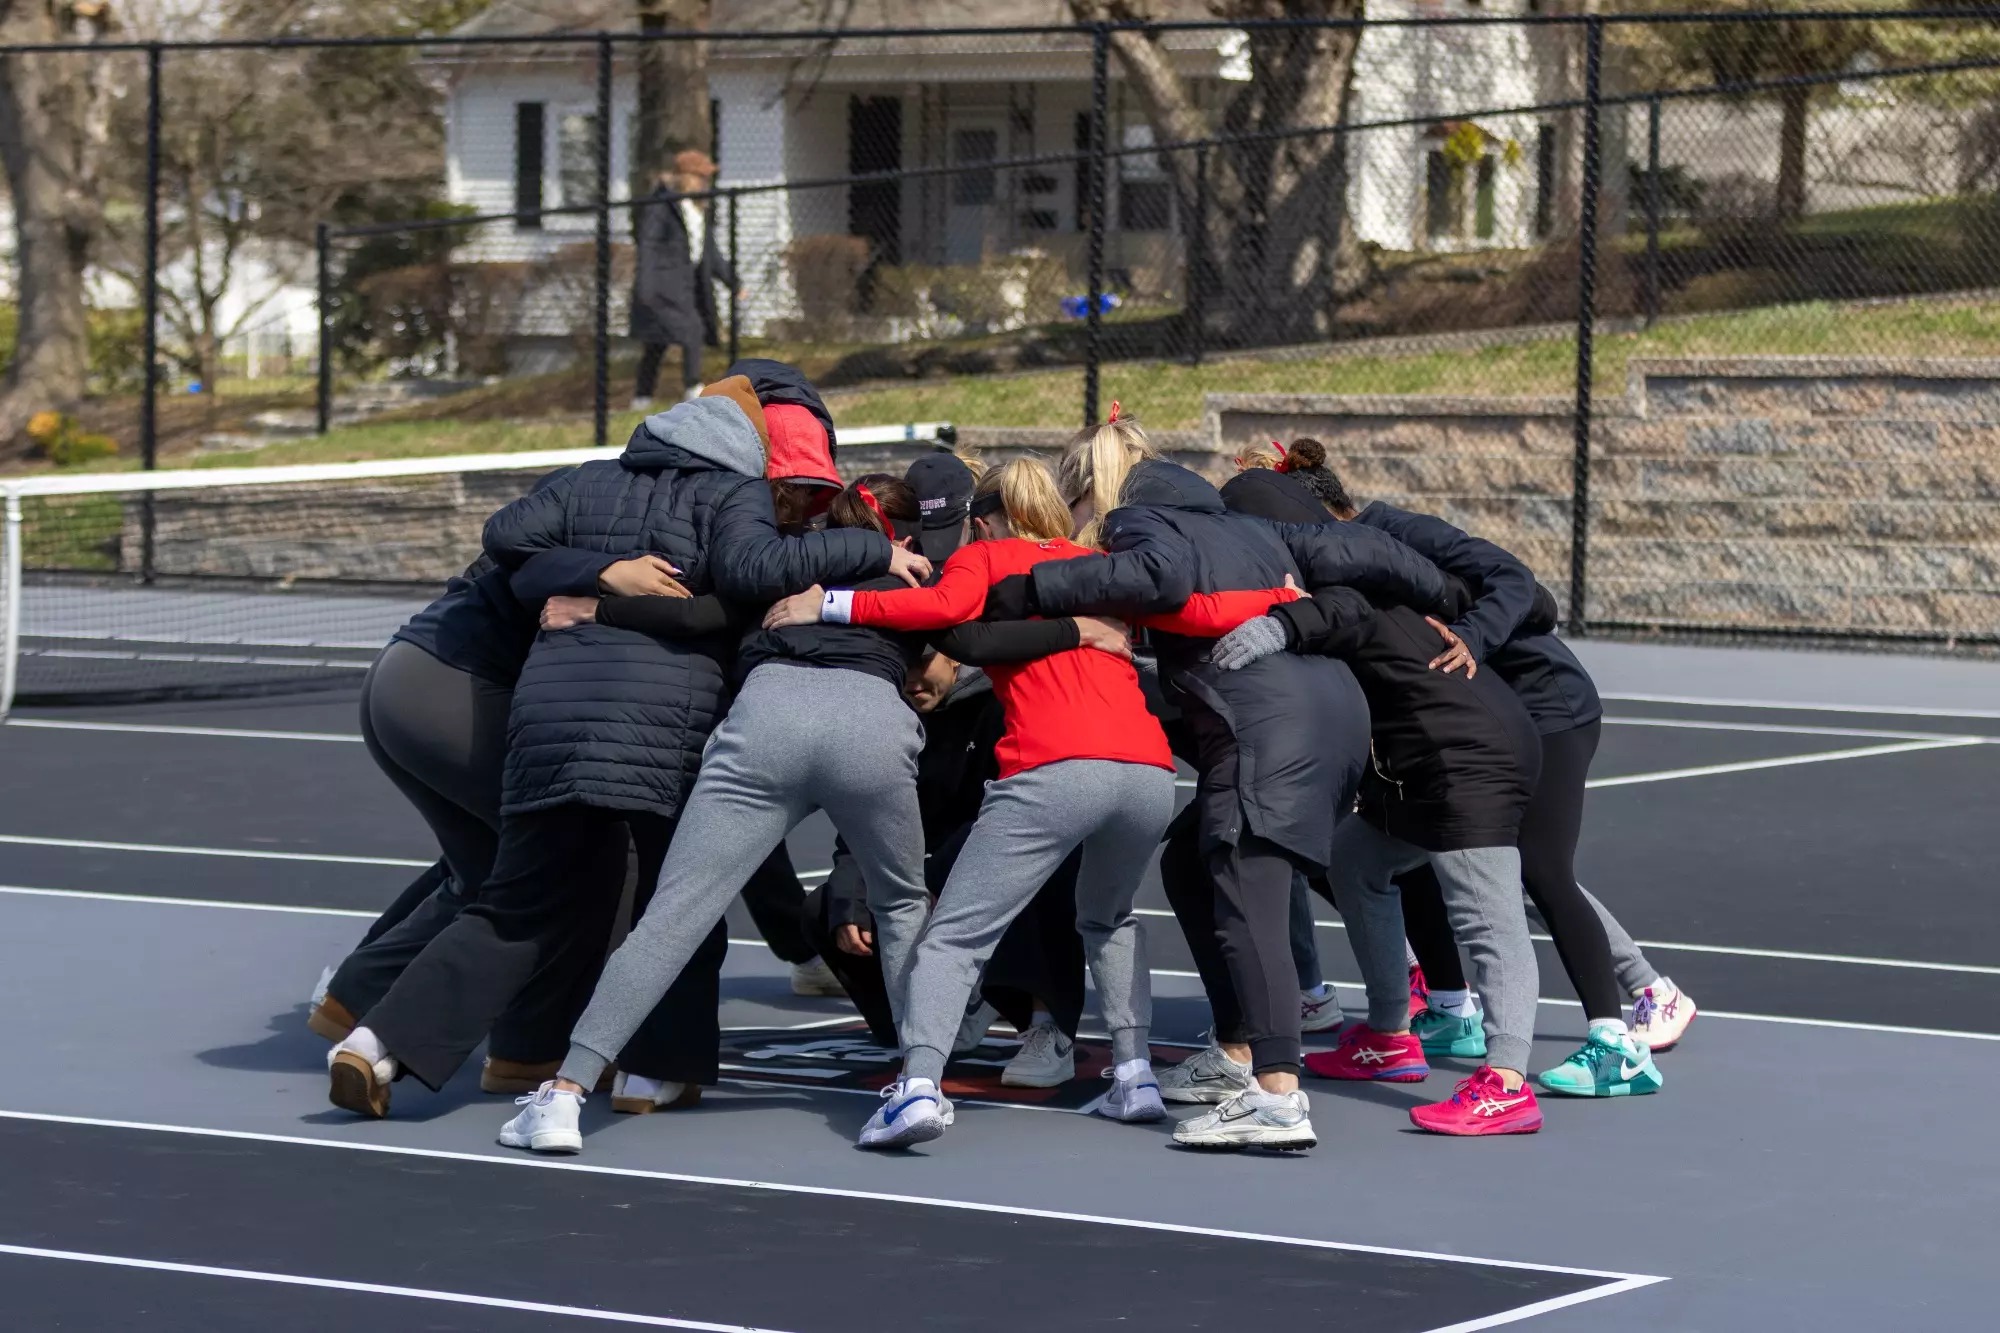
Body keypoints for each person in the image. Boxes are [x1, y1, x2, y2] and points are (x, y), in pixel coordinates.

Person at [326, 376, 926, 1119]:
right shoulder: (732, 497)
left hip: (545, 715)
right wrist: (870, 544)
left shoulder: (584, 483)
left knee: (514, 902)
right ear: (750, 453)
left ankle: (378, 1040)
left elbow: (505, 536)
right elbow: (744, 579)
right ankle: (652, 1071)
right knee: (676, 901)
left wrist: (599, 579)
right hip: (658, 730)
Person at [759, 456, 1273, 1150]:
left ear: (982, 516)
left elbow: (937, 610)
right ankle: (1134, 1075)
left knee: (955, 937)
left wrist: (827, 602)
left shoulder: (987, 556)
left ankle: (917, 1087)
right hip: (1147, 772)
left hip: (1055, 764)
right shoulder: (1100, 565)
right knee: (1109, 917)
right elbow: (1194, 609)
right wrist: (1279, 601)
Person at [1006, 412, 1454, 1151]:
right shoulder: (1245, 525)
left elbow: (1158, 577)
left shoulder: (1142, 523)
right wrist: (1446, 594)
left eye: (1074, 506)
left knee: (1248, 899)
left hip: (1266, 728)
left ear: (1093, 492)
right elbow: (1367, 553)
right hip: (1332, 714)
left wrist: (1033, 583)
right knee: (1190, 864)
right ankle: (1240, 1051)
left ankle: (1276, 1095)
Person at [495, 473, 954, 1154]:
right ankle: (920, 1083)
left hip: (766, 717)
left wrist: (597, 610)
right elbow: (979, 624)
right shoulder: (920, 577)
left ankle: (564, 1095)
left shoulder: (781, 568)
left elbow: (696, 613)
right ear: (906, 535)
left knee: (672, 915)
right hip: (871, 726)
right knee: (902, 907)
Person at [1281, 438, 1691, 1085]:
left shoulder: (1391, 531)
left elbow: (1520, 583)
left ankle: (1632, 1018)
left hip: (1545, 707)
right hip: (1480, 716)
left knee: (1534, 867)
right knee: (1406, 854)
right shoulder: (1341, 567)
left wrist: (1470, 636)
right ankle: (1449, 1007)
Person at [1210, 465, 1600, 1136]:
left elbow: (1346, 611)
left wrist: (1282, 627)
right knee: (1353, 861)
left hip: (1467, 751)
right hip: (1428, 757)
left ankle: (1507, 1081)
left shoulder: (1339, 571)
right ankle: (1390, 1034)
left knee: (1486, 913)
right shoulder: (1343, 561)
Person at [630, 150, 740, 409]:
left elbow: (710, 253)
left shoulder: (698, 209)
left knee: (657, 343)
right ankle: (692, 389)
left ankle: (641, 399)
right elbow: (649, 246)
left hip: (687, 285)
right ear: (685, 177)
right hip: (662, 285)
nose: (705, 182)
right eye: (700, 177)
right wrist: (645, 287)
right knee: (691, 330)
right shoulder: (662, 206)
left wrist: (733, 282)